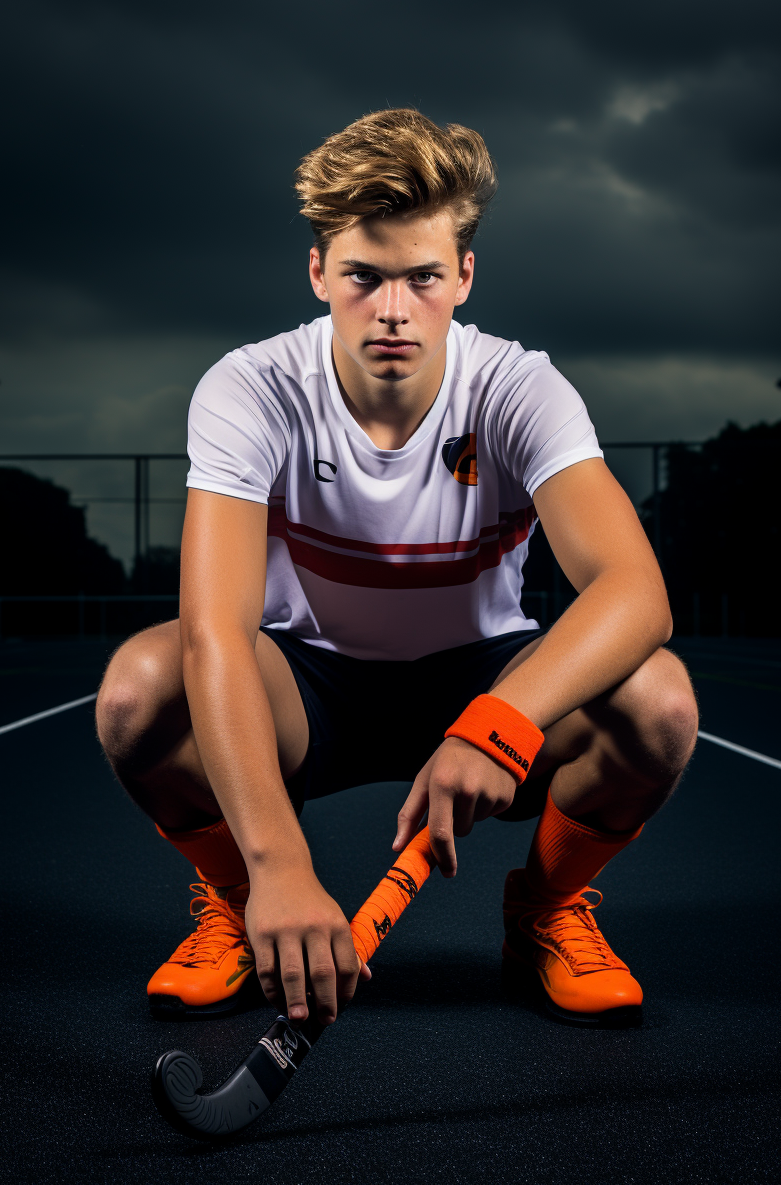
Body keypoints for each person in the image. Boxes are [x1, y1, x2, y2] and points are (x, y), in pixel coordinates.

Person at [96, 108, 698, 1030]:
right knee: (138, 690)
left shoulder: (516, 387)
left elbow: (636, 593)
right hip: (308, 683)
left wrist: (499, 724)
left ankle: (544, 910)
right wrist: (277, 866)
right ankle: (235, 903)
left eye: (421, 277)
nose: (391, 310)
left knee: (660, 706)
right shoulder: (251, 387)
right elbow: (216, 634)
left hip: (479, 675)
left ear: (463, 274)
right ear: (317, 274)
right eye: (363, 277)